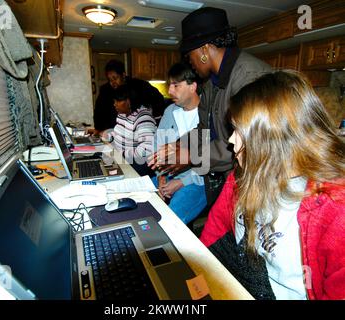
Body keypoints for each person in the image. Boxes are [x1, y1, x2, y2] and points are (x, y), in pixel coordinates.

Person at [200, 70, 345, 300]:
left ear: (272, 140)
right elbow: (214, 232)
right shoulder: (242, 177)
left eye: (239, 130)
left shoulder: (336, 211)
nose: (231, 140)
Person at [149, 7, 271, 208]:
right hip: (227, 177)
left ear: (204, 50)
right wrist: (179, 146)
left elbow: (245, 144)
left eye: (190, 56)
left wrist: (190, 156)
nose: (191, 63)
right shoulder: (209, 84)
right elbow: (204, 130)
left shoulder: (248, 78)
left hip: (256, 182)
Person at [152, 62, 207, 224]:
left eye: (175, 85)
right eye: (170, 85)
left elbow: (211, 162)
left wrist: (181, 182)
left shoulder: (209, 114)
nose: (169, 91)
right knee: (141, 199)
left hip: (198, 180)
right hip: (168, 175)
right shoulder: (170, 111)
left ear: (193, 86)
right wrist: (161, 175)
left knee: (169, 220)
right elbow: (158, 147)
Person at [91, 59, 166, 136]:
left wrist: (154, 118)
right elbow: (98, 111)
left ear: (123, 75)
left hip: (135, 132)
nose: (113, 83)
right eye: (110, 80)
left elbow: (159, 100)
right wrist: (98, 128)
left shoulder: (139, 85)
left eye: (115, 78)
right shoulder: (105, 90)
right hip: (112, 131)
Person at [110, 83, 157, 176]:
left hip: (135, 163)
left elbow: (146, 149)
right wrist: (107, 137)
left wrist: (122, 155)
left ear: (128, 101)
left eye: (117, 101)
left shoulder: (144, 118)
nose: (114, 104)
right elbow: (118, 133)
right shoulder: (122, 114)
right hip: (120, 158)